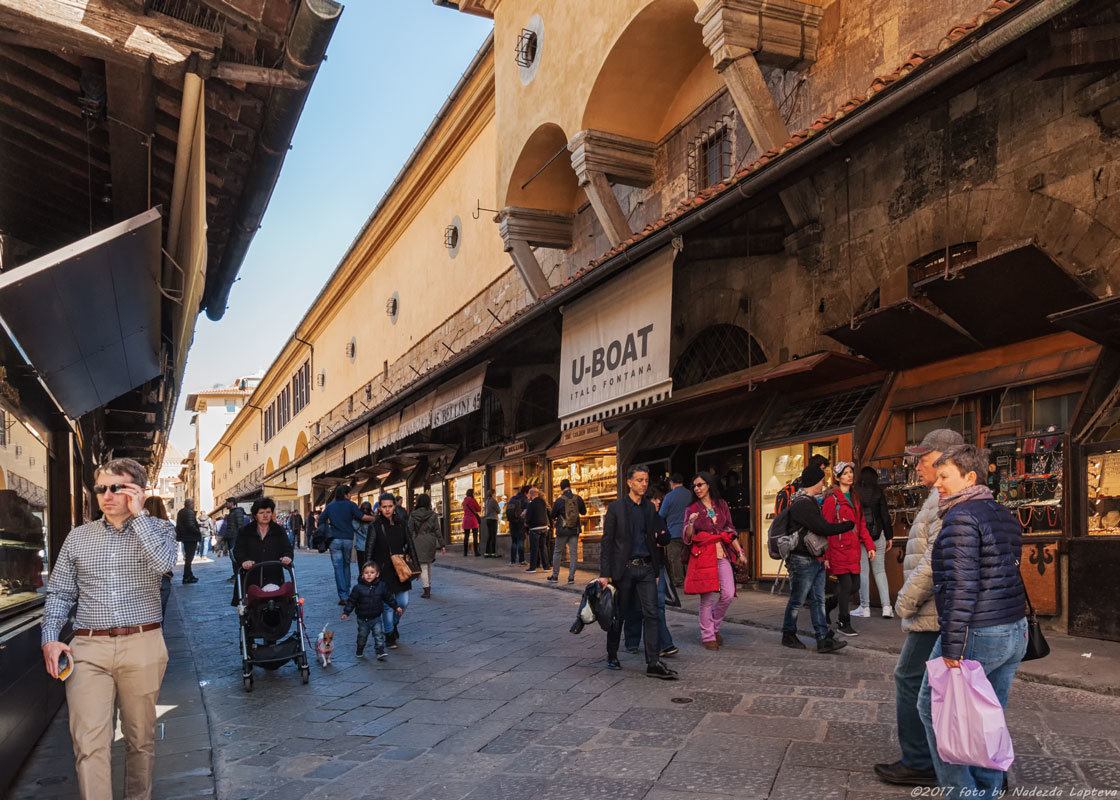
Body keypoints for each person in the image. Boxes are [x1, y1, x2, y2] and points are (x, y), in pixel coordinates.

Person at [42, 458, 177, 800]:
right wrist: (50, 640)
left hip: (143, 643)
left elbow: (164, 567)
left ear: (138, 491)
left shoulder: (160, 530)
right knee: (89, 743)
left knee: (139, 740)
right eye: (102, 488)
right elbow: (59, 592)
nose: (107, 495)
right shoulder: (77, 538)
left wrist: (140, 516)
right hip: (88, 648)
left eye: (118, 487)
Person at [915, 445, 1027, 798]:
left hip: (979, 631)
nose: (937, 484)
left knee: (933, 708)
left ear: (970, 478)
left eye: (945, 476)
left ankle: (963, 794)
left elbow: (963, 585)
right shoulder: (1001, 512)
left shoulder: (962, 517)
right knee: (987, 717)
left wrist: (952, 645)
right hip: (1014, 629)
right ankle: (988, 790)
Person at [873, 428, 964, 788]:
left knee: (911, 678)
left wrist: (905, 600)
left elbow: (934, 557)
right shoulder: (937, 495)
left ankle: (918, 759)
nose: (918, 467)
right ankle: (977, 764)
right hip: (935, 608)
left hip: (934, 610)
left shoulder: (947, 497)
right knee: (950, 687)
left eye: (924, 461)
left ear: (946, 461)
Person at [598, 464, 677, 680]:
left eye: (646, 480)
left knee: (651, 613)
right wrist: (604, 573)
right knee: (620, 614)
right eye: (640, 480)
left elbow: (652, 540)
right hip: (623, 569)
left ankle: (653, 661)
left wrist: (657, 566)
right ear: (629, 482)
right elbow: (607, 542)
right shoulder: (616, 508)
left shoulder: (649, 509)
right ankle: (612, 654)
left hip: (646, 568)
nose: (644, 484)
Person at [779, 463, 854, 653]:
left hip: (814, 557)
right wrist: (847, 526)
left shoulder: (810, 501)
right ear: (814, 481)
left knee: (818, 600)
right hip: (802, 558)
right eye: (822, 480)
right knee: (798, 599)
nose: (824, 483)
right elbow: (823, 528)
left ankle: (823, 639)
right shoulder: (802, 504)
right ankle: (788, 634)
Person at [683, 471, 743, 650]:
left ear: (709, 485)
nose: (697, 488)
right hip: (702, 555)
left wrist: (740, 552)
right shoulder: (691, 509)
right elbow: (687, 536)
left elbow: (730, 529)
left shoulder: (721, 504)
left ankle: (713, 625)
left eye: (700, 484)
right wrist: (691, 523)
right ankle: (708, 635)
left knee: (727, 594)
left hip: (722, 553)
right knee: (707, 598)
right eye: (694, 486)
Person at [822, 462, 876, 637]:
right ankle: (844, 622)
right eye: (845, 473)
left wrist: (869, 545)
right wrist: (826, 555)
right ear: (837, 478)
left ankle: (828, 605)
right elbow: (826, 528)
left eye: (851, 472)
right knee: (846, 585)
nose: (850, 475)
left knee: (855, 585)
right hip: (838, 549)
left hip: (853, 550)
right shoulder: (832, 499)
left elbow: (861, 524)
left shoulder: (854, 497)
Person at [623, 489, 678, 658]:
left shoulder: (658, 518)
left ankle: (665, 644)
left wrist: (657, 538)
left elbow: (665, 538)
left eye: (659, 499)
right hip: (637, 566)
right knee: (635, 607)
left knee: (657, 606)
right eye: (655, 499)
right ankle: (632, 642)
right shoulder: (636, 517)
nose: (658, 502)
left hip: (657, 567)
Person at [365, 493, 412, 648]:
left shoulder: (401, 523)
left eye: (390, 506)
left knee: (403, 602)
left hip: (400, 569)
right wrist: (368, 572)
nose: (387, 510)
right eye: (384, 506)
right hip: (383, 570)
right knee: (387, 605)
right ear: (379, 507)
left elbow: (409, 544)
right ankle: (389, 634)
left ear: (394, 506)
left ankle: (393, 625)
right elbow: (369, 550)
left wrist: (415, 566)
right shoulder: (375, 526)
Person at [318, 485, 374, 605]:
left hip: (334, 540)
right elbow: (362, 517)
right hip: (348, 540)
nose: (350, 495)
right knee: (346, 565)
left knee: (338, 568)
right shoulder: (351, 505)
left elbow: (321, 520)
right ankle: (347, 592)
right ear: (345, 494)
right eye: (349, 494)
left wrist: (328, 530)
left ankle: (343, 596)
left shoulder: (330, 506)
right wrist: (375, 518)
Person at [232, 497, 293, 606]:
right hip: (250, 577)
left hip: (273, 577)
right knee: (251, 612)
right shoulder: (245, 531)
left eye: (268, 512)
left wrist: (287, 556)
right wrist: (244, 561)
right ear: (255, 515)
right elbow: (238, 550)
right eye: (261, 512)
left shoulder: (279, 530)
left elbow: (287, 548)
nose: (265, 515)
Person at [341, 562, 402, 660]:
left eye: (372, 572)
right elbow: (351, 601)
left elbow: (388, 598)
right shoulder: (358, 588)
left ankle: (380, 651)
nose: (369, 574)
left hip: (376, 617)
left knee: (378, 635)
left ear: (377, 574)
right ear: (362, 574)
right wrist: (346, 612)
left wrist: (396, 607)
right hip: (362, 618)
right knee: (362, 636)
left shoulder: (381, 586)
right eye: (366, 573)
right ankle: (360, 649)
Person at [855, 466, 893, 618]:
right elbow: (885, 515)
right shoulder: (878, 492)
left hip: (861, 537)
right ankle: (887, 607)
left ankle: (865, 607)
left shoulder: (855, 492)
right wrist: (889, 536)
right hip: (878, 535)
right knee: (880, 571)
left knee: (863, 572)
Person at [143, 495, 176, 620]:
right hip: (163, 578)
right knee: (158, 620)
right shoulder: (167, 527)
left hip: (140, 579)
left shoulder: (138, 526)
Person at [548, 479, 586, 583]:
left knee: (557, 552)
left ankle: (555, 576)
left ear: (561, 488)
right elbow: (584, 512)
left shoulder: (559, 500)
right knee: (573, 554)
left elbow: (552, 516)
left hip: (562, 530)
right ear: (569, 486)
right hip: (574, 530)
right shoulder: (578, 498)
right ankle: (571, 578)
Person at [409, 493, 445, 598]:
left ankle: (426, 590)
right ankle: (428, 585)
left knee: (423, 566)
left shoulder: (413, 514)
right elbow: (437, 530)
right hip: (430, 541)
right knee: (428, 564)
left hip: (418, 541)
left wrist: (407, 543)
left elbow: (409, 530)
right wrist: (442, 544)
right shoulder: (433, 515)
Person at [659, 474, 690, 589]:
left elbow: (661, 514)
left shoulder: (669, 497)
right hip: (689, 532)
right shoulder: (690, 494)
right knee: (689, 556)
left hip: (674, 532)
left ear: (671, 483)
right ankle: (690, 579)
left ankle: (679, 581)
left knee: (675, 558)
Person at [175, 498, 201, 584]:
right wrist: (198, 532)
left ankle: (189, 575)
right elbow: (190, 525)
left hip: (186, 537)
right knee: (189, 558)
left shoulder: (181, 511)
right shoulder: (189, 512)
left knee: (188, 558)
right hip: (190, 537)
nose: (194, 505)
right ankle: (186, 576)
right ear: (191, 504)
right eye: (193, 503)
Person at [524, 486, 549, 573]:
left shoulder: (531, 504)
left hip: (535, 528)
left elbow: (529, 517)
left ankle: (532, 567)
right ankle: (546, 567)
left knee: (534, 548)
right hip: (544, 527)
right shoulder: (543, 502)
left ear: (531, 494)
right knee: (543, 547)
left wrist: (526, 523)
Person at [224, 501, 248, 581]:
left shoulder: (237, 512)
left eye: (227, 503)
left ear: (232, 503)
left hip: (235, 536)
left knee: (235, 556)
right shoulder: (233, 512)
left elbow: (240, 525)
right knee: (233, 556)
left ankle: (238, 574)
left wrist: (240, 537)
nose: (226, 504)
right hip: (232, 536)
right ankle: (236, 574)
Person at [506, 486, 527, 566]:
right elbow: (527, 511)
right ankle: (521, 561)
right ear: (526, 493)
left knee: (514, 541)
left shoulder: (512, 498)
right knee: (520, 541)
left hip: (512, 523)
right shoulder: (525, 500)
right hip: (520, 522)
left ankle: (512, 561)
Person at [461, 488, 482, 556]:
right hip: (473, 520)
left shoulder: (464, 502)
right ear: (472, 493)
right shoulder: (473, 500)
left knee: (466, 537)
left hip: (466, 520)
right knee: (475, 536)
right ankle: (476, 552)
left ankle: (465, 553)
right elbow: (478, 509)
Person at [482, 488, 501, 558]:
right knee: (493, 536)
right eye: (495, 493)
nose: (495, 495)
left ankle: (487, 553)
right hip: (493, 519)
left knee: (489, 536)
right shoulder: (493, 501)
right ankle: (493, 553)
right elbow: (498, 510)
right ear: (493, 494)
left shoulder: (487, 501)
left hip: (488, 519)